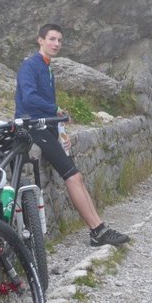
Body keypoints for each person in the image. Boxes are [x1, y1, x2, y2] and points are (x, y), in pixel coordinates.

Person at [15, 23, 130, 247]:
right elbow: (28, 99)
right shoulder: (30, 65)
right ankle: (98, 231)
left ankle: (99, 227)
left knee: (76, 176)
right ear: (40, 40)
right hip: (34, 129)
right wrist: (55, 110)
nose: (56, 44)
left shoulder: (47, 68)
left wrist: (57, 120)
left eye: (59, 40)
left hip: (47, 127)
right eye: (52, 39)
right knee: (72, 176)